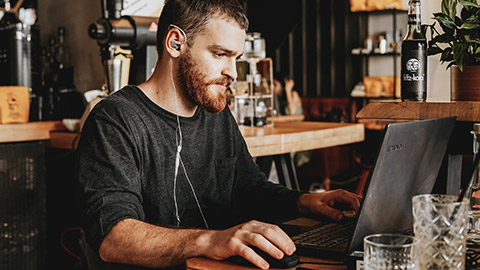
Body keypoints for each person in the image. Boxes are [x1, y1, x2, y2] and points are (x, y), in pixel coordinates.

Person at [75, 0, 361, 269]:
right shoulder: (116, 118)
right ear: (176, 43)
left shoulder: (215, 112)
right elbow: (113, 237)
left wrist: (304, 202)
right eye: (219, 54)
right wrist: (211, 240)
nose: (232, 72)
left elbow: (248, 189)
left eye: (235, 57)